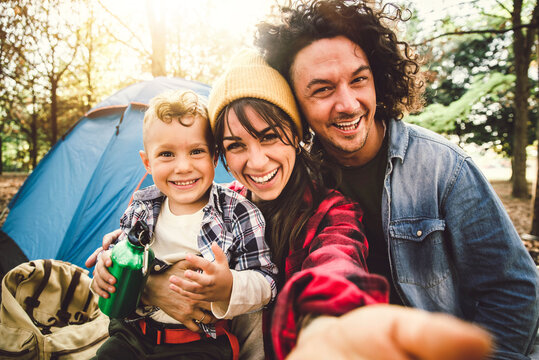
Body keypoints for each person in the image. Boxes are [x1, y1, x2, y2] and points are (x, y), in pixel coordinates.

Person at [254, 0, 539, 359]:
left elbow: (513, 291)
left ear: (379, 78)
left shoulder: (443, 168)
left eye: (359, 80)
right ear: (293, 102)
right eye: (323, 89)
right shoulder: (298, 180)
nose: (348, 103)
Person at [90, 89, 277, 360]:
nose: (183, 167)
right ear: (147, 163)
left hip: (199, 343)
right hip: (132, 335)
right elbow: (120, 257)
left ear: (214, 157)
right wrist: (106, 273)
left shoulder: (238, 213)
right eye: (166, 154)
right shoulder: (141, 208)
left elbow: (267, 283)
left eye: (196, 151)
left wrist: (229, 286)